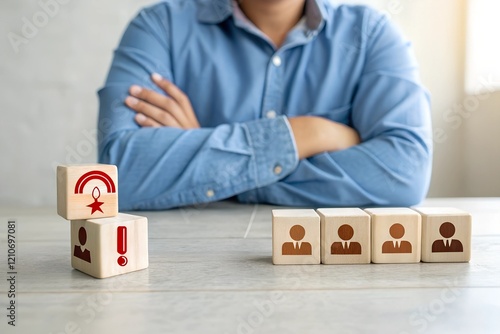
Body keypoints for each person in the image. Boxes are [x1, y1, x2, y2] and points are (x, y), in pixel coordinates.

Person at [98, 0, 432, 210]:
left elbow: (405, 171)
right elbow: (119, 175)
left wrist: (209, 165)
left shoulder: (372, 35)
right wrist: (308, 134)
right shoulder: (159, 27)